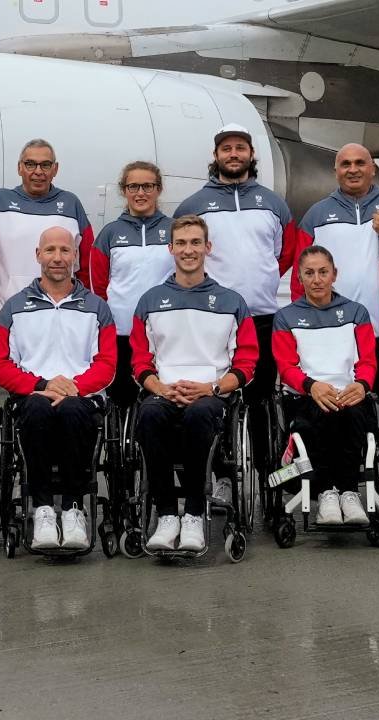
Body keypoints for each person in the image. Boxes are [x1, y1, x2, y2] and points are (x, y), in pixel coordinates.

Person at [131, 215, 257, 552]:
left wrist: (212, 388)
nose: (189, 250)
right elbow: (140, 360)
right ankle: (167, 515)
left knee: (199, 414)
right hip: (164, 392)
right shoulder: (150, 300)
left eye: (196, 243)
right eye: (182, 243)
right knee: (149, 415)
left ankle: (194, 515)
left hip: (211, 395)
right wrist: (160, 388)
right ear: (171, 248)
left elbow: (246, 363)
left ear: (207, 247)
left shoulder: (232, 301)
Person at [174, 125, 295, 468]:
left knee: (260, 398)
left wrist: (260, 281)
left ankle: (267, 471)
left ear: (251, 154)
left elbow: (284, 254)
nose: (233, 154)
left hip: (262, 316)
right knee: (215, 396)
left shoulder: (274, 203)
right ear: (215, 156)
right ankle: (222, 474)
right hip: (214, 318)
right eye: (226, 149)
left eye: (240, 148)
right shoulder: (194, 205)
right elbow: (185, 253)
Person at [0, 227, 116, 550]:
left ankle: (73, 509)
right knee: (36, 407)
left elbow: (106, 364)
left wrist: (75, 388)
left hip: (81, 397)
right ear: (38, 255)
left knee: (73, 410)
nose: (57, 257)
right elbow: (1, 365)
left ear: (75, 256)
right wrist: (42, 385)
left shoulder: (97, 307)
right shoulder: (14, 307)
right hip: (34, 396)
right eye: (50, 250)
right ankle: (43, 508)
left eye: (64, 250)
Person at [293, 142, 379, 395]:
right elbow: (299, 280)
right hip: (336, 332)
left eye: (360, 163)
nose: (353, 169)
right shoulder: (316, 215)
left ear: (373, 169)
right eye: (345, 164)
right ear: (336, 171)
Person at [273, 245, 377, 526]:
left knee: (349, 412)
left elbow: (368, 361)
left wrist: (362, 385)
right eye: (309, 273)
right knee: (321, 411)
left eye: (323, 272)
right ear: (299, 278)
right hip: (305, 395)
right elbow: (286, 367)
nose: (317, 279)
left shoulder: (357, 312)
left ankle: (348, 493)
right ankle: (327, 492)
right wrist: (311, 386)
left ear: (334, 274)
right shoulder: (286, 317)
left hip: (349, 393)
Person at [0, 138, 95, 322]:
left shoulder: (72, 204)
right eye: (30, 164)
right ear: (19, 167)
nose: (38, 171)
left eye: (45, 165)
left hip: (63, 314)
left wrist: (83, 308)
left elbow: (86, 266)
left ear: (55, 169)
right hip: (10, 315)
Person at [90, 160, 174, 410]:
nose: (140, 193)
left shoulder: (174, 229)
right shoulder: (110, 233)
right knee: (122, 399)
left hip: (164, 331)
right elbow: (98, 287)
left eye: (147, 186)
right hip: (122, 331)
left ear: (158, 189)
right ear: (124, 190)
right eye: (133, 186)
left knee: (161, 401)